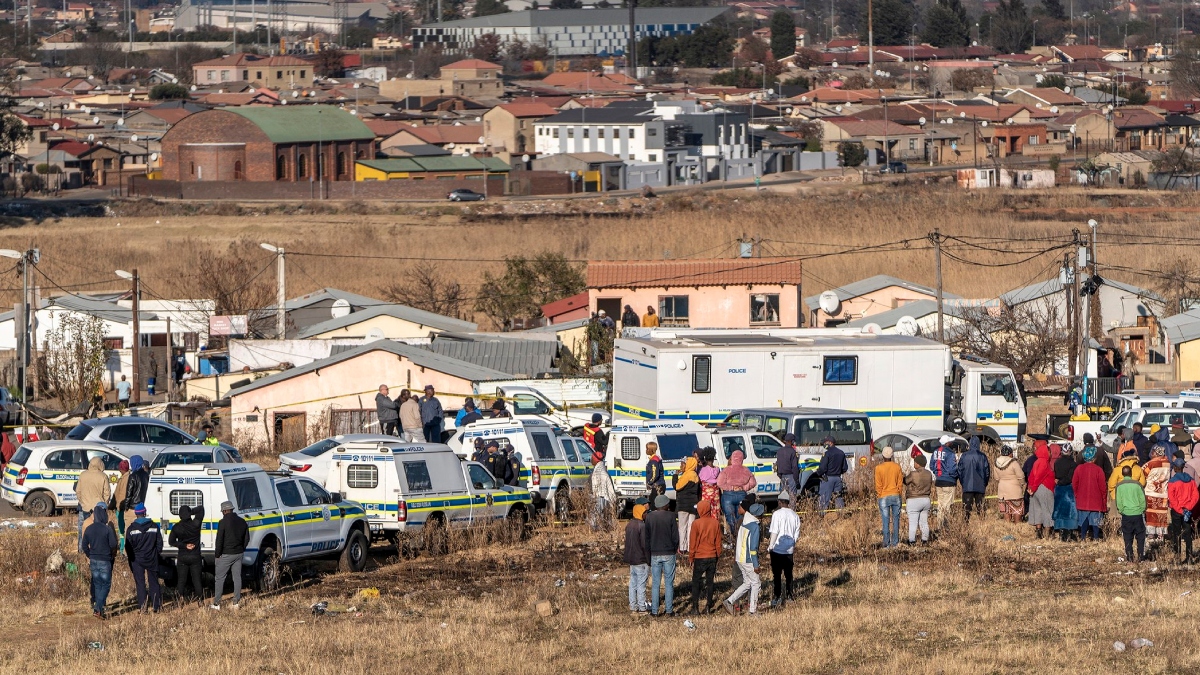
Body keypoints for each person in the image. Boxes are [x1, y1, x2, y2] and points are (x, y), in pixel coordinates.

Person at [723, 500, 764, 617]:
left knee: (747, 583)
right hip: (748, 559)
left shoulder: (744, 523)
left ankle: (729, 601)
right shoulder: (754, 526)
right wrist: (756, 564)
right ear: (758, 515)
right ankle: (753, 611)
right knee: (756, 583)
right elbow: (753, 547)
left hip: (740, 558)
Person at [124, 503, 163, 613]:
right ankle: (157, 607)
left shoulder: (131, 529)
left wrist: (132, 560)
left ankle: (143, 607)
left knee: (140, 583)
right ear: (145, 513)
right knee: (154, 582)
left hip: (137, 560)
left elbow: (128, 547)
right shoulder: (154, 526)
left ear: (136, 514)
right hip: (152, 558)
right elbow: (159, 543)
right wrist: (156, 553)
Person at [81, 502, 117, 619]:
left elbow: (84, 545)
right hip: (105, 560)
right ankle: (98, 608)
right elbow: (113, 544)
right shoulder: (107, 529)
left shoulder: (89, 528)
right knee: (106, 585)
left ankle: (99, 608)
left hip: (94, 560)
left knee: (97, 584)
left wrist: (90, 555)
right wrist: (111, 555)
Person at [644, 494, 678, 617]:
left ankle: (654, 611)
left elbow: (646, 538)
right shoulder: (671, 516)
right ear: (664, 505)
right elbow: (675, 536)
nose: (669, 505)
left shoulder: (649, 517)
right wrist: (674, 549)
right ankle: (669, 611)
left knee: (655, 583)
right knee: (669, 583)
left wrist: (648, 555)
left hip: (654, 553)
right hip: (669, 552)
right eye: (668, 503)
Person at [212, 501, 249, 610]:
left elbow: (219, 540)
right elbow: (247, 538)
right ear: (232, 509)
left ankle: (217, 604)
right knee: (237, 578)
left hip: (226, 554)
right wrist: (242, 548)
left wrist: (217, 554)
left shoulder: (222, 522)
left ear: (224, 511)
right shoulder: (242, 522)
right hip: (238, 553)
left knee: (219, 578)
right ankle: (236, 602)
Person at [688, 499, 721, 615]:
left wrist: (691, 557)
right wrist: (718, 555)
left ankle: (695, 607)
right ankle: (708, 607)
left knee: (696, 582)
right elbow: (718, 542)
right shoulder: (715, 523)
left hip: (699, 556)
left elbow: (693, 543)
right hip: (712, 555)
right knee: (710, 582)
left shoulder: (696, 523)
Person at [768, 491, 800, 607]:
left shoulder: (776, 514)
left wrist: (770, 546)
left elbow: (774, 532)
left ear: (780, 502)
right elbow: (797, 534)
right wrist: (791, 544)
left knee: (777, 575)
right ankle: (790, 596)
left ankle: (777, 597)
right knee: (789, 574)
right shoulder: (795, 515)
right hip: (789, 550)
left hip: (777, 549)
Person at [170, 504, 205, 606]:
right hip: (195, 556)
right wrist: (191, 511)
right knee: (197, 580)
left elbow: (171, 541)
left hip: (183, 556)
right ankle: (200, 600)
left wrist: (184, 545)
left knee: (181, 579)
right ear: (189, 514)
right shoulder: (196, 524)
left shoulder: (177, 527)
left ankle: (180, 599)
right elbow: (201, 509)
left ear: (180, 516)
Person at [716, 450, 756, 537]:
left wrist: (731, 488)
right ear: (742, 459)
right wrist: (744, 487)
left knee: (730, 518)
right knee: (740, 517)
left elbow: (719, 483)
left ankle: (733, 536)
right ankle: (740, 536)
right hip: (741, 494)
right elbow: (753, 483)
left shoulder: (726, 470)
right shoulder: (746, 470)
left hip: (728, 496)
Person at [75, 456, 110, 553]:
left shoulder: (83, 475)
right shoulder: (103, 476)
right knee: (99, 531)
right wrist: (104, 505)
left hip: (85, 507)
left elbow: (78, 491)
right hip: (99, 508)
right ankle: (97, 550)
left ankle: (82, 549)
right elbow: (107, 493)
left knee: (84, 529)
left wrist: (82, 502)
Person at [1073, 446, 1108, 542]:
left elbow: (1074, 484)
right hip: (1096, 500)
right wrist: (1104, 499)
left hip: (1082, 499)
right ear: (1094, 458)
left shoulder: (1079, 468)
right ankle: (1096, 537)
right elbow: (1103, 487)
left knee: (1084, 520)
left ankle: (1083, 537)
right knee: (1096, 521)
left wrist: (1077, 495)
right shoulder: (1099, 470)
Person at [1168, 458, 1199, 564]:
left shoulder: (1172, 481)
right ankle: (1189, 557)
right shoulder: (1191, 480)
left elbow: (1172, 498)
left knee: (1177, 534)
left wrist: (1180, 510)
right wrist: (1188, 508)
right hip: (1188, 511)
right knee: (1188, 534)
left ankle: (1177, 558)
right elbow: (1196, 496)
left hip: (1177, 511)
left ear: (1176, 468)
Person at [1115, 465, 1148, 563]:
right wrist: (1142, 510)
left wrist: (1122, 511)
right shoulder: (1137, 485)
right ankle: (1141, 556)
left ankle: (1130, 557)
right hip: (1137, 514)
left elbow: (1119, 502)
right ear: (1131, 473)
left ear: (1122, 474)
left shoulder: (1119, 486)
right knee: (1140, 536)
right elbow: (1143, 499)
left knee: (1127, 536)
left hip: (1126, 515)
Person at [623, 501, 650, 614]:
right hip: (641, 560)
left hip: (632, 560)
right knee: (641, 585)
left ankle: (633, 606)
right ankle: (642, 608)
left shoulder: (629, 525)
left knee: (633, 584)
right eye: (644, 512)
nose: (646, 514)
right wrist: (649, 560)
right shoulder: (642, 526)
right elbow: (645, 545)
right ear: (640, 513)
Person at [874, 447, 903, 548]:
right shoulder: (897, 467)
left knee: (885, 520)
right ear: (892, 456)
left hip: (884, 496)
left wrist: (880, 494)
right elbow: (900, 483)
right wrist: (898, 492)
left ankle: (886, 543)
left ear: (882, 455)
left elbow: (878, 485)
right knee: (896, 520)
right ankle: (895, 543)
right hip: (895, 495)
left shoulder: (878, 468)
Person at [1027, 441, 1056, 539]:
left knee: (1037, 509)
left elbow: (1031, 476)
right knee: (1047, 509)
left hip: (1035, 490)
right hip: (1044, 488)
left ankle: (1038, 532)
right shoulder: (1044, 462)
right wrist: (1034, 487)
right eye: (1049, 451)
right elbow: (1039, 476)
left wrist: (1030, 488)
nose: (1050, 454)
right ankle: (1047, 533)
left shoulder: (1036, 462)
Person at [958, 436, 991, 522]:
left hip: (967, 485)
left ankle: (965, 524)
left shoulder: (964, 456)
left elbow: (960, 470)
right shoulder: (982, 456)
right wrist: (985, 483)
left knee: (966, 508)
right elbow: (987, 471)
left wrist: (963, 482)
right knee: (980, 507)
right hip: (980, 485)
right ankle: (982, 523)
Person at [1144, 446, 1172, 542]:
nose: (1151, 454)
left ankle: (1151, 535)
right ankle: (1161, 535)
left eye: (1153, 452)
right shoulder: (1167, 463)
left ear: (1156, 453)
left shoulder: (1150, 463)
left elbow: (1143, 474)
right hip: (1163, 493)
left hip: (1151, 493)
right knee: (1161, 515)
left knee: (1151, 514)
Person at [931, 436, 959, 528]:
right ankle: (945, 527)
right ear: (947, 443)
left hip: (939, 481)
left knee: (940, 504)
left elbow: (932, 465)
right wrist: (955, 475)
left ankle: (939, 525)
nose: (951, 444)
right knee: (947, 505)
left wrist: (937, 474)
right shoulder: (950, 453)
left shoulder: (935, 452)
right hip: (949, 482)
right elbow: (952, 469)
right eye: (950, 442)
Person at [1051, 444, 1079, 541]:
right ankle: (1070, 532)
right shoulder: (1073, 464)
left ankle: (1061, 531)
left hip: (1058, 489)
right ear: (1070, 452)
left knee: (1059, 510)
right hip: (1068, 488)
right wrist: (1062, 481)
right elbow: (1070, 477)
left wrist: (1058, 481)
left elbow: (1056, 475)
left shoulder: (1057, 462)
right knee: (1070, 511)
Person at [814, 435, 847, 514]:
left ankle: (821, 516)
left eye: (825, 442)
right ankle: (841, 515)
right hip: (838, 479)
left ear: (830, 443)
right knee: (838, 497)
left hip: (828, 479)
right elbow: (845, 468)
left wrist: (818, 473)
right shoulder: (841, 453)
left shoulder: (827, 454)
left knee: (824, 499)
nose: (824, 444)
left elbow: (823, 468)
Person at [904, 455, 933, 544]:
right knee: (924, 522)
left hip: (914, 500)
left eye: (915, 462)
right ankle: (925, 540)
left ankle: (912, 541)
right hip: (926, 500)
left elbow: (905, 481)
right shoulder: (929, 474)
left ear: (918, 464)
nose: (914, 464)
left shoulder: (913, 474)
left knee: (913, 522)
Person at [674, 457, 700, 554]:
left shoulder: (686, 476)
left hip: (683, 505)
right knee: (691, 527)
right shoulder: (695, 476)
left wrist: (675, 476)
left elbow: (677, 486)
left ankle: (682, 548)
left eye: (683, 464)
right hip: (693, 504)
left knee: (682, 527)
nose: (681, 466)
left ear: (688, 465)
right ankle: (690, 548)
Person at [994, 447, 1027, 523]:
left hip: (1002, 491)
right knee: (1017, 510)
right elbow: (1021, 476)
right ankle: (1017, 526)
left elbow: (996, 477)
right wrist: (1022, 483)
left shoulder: (996, 463)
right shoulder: (1013, 463)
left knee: (1006, 512)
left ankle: (1007, 526)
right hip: (1014, 491)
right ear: (1010, 453)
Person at [589, 450, 616, 531]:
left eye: (592, 458)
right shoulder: (600, 469)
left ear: (596, 460)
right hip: (600, 498)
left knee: (599, 516)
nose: (590, 460)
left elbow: (607, 488)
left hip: (601, 498)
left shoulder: (600, 472)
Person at [122, 455, 149, 531]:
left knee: (129, 531)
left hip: (132, 508)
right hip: (143, 508)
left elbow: (129, 494)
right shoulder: (147, 475)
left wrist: (126, 507)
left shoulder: (133, 476)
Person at [111, 459, 131, 548]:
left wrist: (117, 506)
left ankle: (123, 548)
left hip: (122, 508)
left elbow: (121, 494)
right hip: (122, 507)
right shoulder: (125, 477)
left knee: (122, 530)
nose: (119, 470)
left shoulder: (125, 479)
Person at [698, 448, 721, 520]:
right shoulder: (717, 469)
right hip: (716, 497)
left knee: (706, 512)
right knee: (716, 513)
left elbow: (700, 481)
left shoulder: (703, 470)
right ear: (713, 458)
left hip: (706, 496)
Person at [776, 433, 801, 498]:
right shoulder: (792, 451)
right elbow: (795, 467)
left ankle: (783, 508)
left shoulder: (779, 451)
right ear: (792, 441)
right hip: (791, 477)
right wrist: (797, 481)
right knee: (792, 497)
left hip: (782, 477)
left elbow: (778, 465)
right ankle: (792, 508)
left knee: (783, 497)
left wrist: (780, 475)